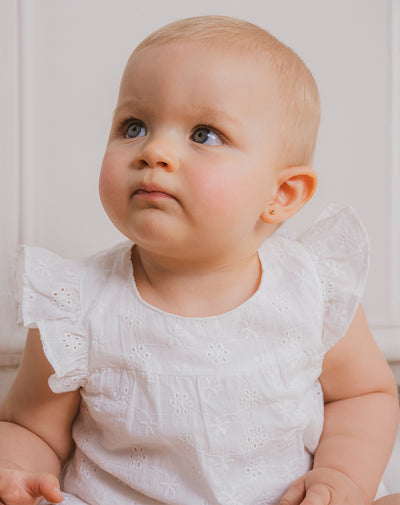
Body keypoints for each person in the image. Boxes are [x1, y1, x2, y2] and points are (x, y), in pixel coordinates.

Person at [0, 15, 399, 505]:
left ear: (282, 193)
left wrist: (343, 476)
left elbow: (362, 396)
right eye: (134, 125)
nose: (155, 151)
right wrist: (18, 469)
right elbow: (31, 427)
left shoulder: (310, 288)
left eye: (204, 134)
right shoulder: (75, 304)